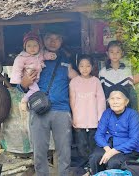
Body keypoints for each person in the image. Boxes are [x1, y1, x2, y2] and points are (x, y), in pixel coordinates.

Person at [19, 23, 78, 176]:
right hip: (38, 110)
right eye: (49, 38)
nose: (53, 41)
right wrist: (23, 84)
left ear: (62, 41)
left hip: (62, 111)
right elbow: (20, 83)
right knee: (39, 151)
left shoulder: (67, 59)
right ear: (42, 40)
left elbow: (78, 81)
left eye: (57, 38)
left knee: (64, 151)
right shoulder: (32, 58)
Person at [88, 88, 139, 175]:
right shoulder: (107, 113)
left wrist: (113, 151)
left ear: (126, 101)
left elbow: (134, 140)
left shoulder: (133, 115)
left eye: (118, 98)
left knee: (113, 162)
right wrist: (107, 148)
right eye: (112, 99)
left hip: (129, 148)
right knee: (95, 158)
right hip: (110, 145)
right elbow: (99, 134)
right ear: (108, 101)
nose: (115, 101)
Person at [69, 55, 106, 161]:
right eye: (81, 66)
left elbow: (101, 100)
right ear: (78, 67)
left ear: (92, 67)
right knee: (81, 145)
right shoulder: (74, 82)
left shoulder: (96, 81)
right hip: (79, 120)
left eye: (88, 66)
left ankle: (92, 166)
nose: (84, 69)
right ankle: (85, 167)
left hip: (93, 120)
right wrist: (74, 117)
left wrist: (100, 118)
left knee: (93, 144)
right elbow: (72, 101)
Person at [99, 40, 139, 110]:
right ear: (107, 53)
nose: (114, 54)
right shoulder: (103, 72)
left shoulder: (126, 71)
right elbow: (102, 94)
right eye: (111, 52)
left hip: (125, 109)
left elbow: (131, 91)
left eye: (118, 52)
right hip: (110, 109)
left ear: (122, 53)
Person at [10, 31, 56, 111]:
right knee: (35, 90)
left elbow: (45, 55)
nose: (32, 48)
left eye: (35, 45)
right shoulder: (22, 57)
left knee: (35, 90)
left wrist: (51, 56)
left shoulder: (40, 54)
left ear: (39, 46)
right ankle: (24, 101)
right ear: (25, 47)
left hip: (36, 78)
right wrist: (17, 80)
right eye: (29, 46)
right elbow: (17, 69)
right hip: (30, 78)